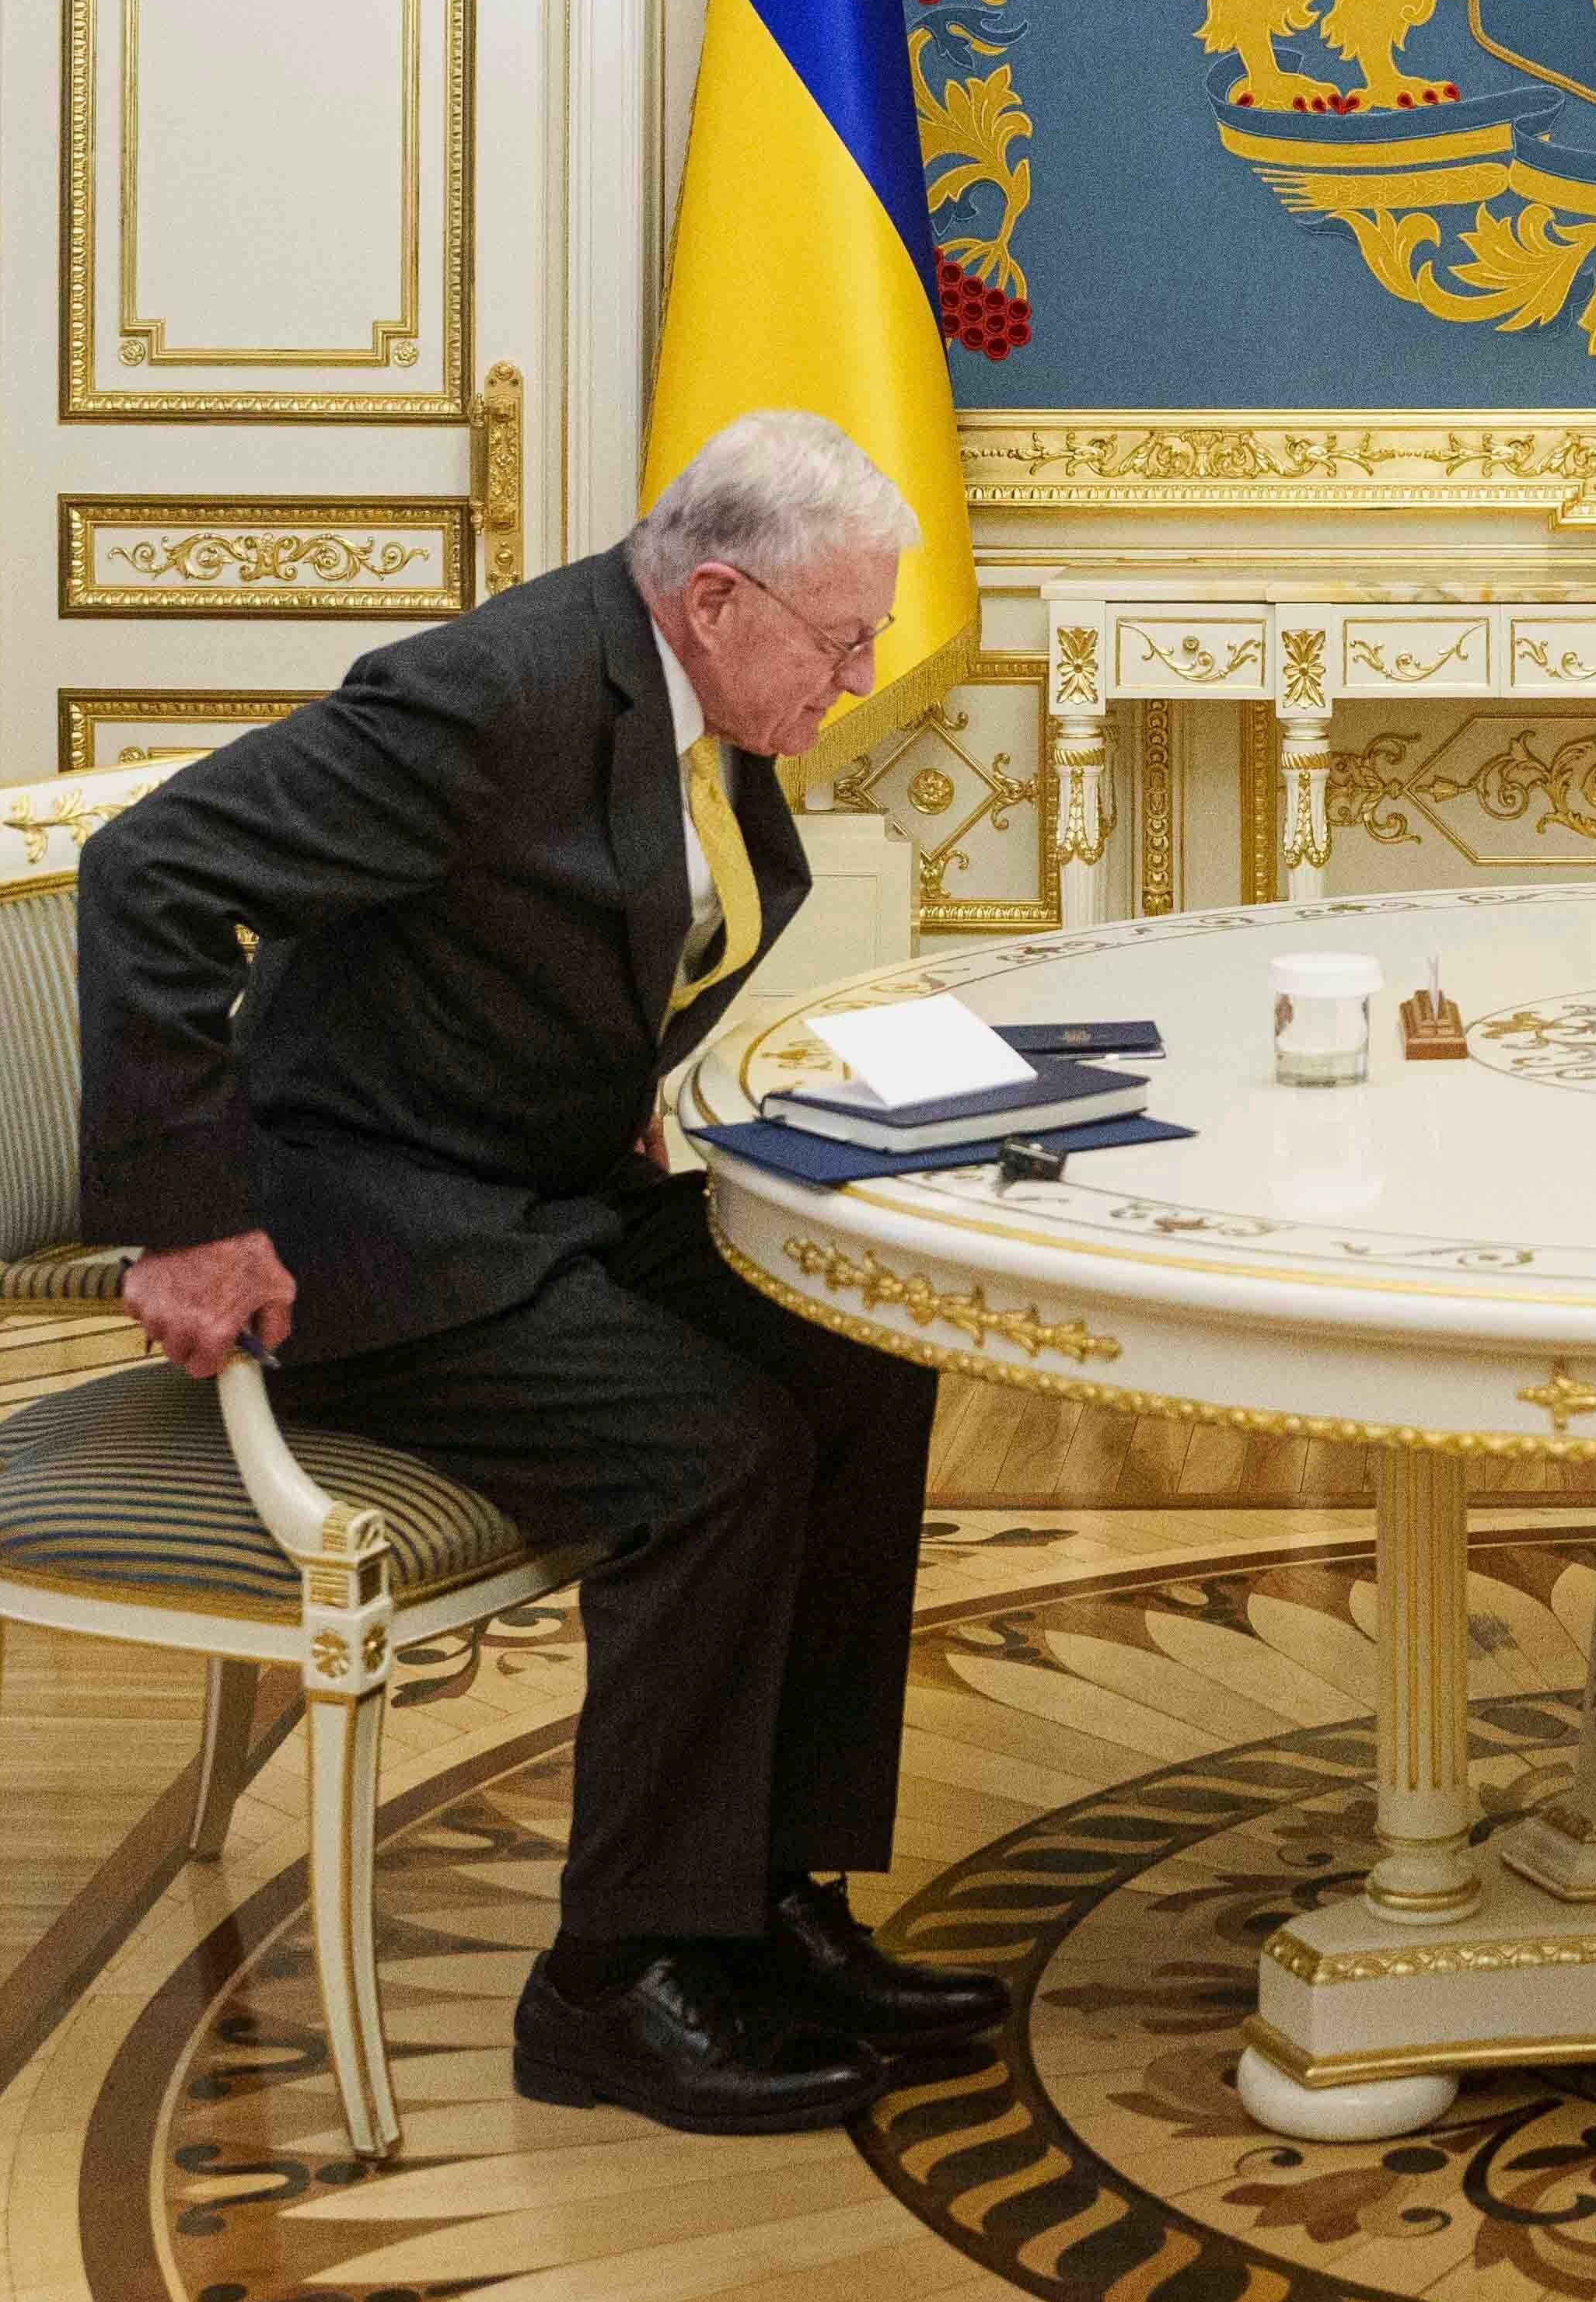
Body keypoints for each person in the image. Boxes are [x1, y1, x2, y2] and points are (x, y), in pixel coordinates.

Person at [76, 407, 990, 2136]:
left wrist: (610, 1091)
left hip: (524, 1188)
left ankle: (770, 1905)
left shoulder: (690, 700)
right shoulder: (487, 696)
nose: (860, 676)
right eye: (843, 638)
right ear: (717, 600)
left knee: (861, 1345)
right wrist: (188, 1216)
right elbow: (153, 870)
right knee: (717, 1452)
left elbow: (584, 931)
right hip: (356, 1237)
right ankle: (614, 1984)